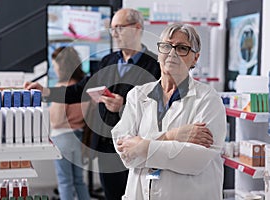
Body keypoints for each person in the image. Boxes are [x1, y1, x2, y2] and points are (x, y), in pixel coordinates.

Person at [24, 8, 161, 200]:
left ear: (137, 28)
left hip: (139, 146)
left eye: (119, 28)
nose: (114, 34)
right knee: (112, 195)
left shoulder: (155, 65)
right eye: (112, 29)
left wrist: (123, 107)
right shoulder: (108, 61)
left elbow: (162, 109)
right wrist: (46, 91)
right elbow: (79, 90)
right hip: (107, 145)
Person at [111, 23, 226, 200]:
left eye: (182, 48)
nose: (172, 53)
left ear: (195, 58)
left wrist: (141, 146)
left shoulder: (208, 100)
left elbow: (195, 161)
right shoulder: (137, 95)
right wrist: (173, 136)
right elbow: (125, 152)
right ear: (159, 53)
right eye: (166, 46)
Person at [48, 46, 90, 200]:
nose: (54, 69)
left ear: (62, 65)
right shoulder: (83, 86)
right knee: (79, 181)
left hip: (62, 138)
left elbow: (57, 120)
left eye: (55, 65)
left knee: (65, 181)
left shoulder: (62, 88)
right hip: (79, 137)